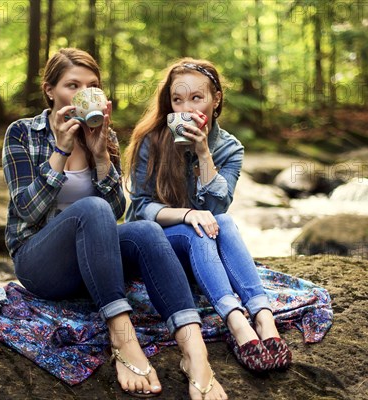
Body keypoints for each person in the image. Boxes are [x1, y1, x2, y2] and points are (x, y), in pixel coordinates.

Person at [3, 48, 227, 399]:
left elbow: (115, 211)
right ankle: (123, 340)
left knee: (147, 231)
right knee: (90, 209)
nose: (82, 93)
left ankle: (194, 352)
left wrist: (98, 157)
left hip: (93, 264)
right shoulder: (22, 133)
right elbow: (25, 211)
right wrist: (60, 151)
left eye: (92, 85)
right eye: (71, 85)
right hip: (40, 263)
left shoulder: (103, 135)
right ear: (50, 91)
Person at [125, 58, 292, 372]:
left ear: (216, 100)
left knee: (223, 221)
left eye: (196, 98)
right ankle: (236, 321)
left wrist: (204, 153)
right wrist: (186, 214)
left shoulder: (230, 149)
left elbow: (217, 211)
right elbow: (139, 209)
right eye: (177, 99)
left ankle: (264, 319)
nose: (186, 107)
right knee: (197, 227)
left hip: (203, 250)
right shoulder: (152, 140)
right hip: (157, 249)